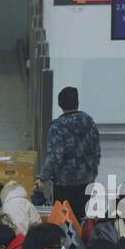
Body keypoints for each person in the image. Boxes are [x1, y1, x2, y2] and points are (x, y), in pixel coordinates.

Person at [36, 87, 101, 220]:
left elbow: (55, 156)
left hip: (64, 184)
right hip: (86, 181)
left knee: (64, 219)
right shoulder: (89, 122)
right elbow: (96, 151)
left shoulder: (57, 127)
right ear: (77, 102)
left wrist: (43, 178)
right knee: (82, 217)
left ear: (60, 105)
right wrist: (92, 173)